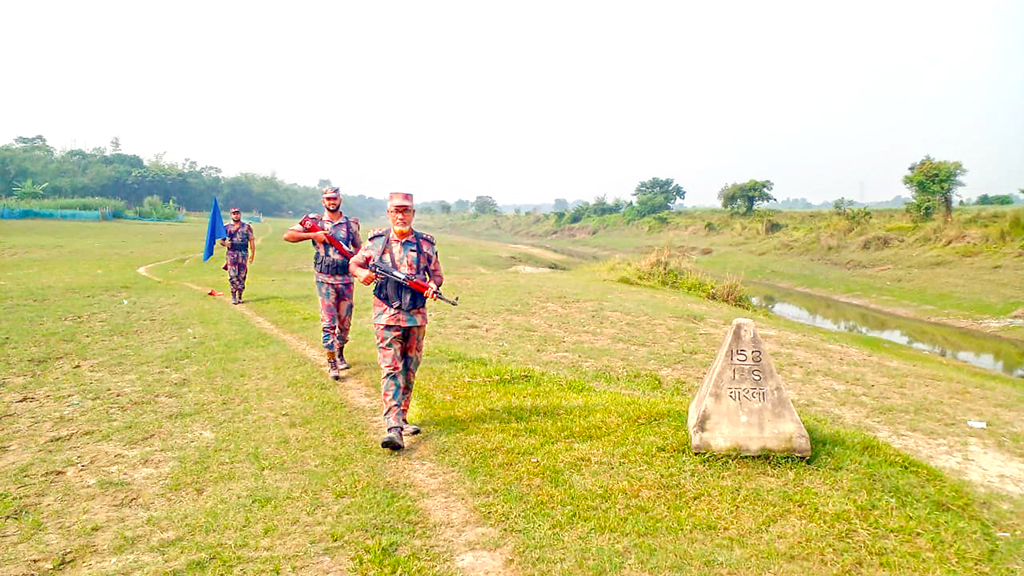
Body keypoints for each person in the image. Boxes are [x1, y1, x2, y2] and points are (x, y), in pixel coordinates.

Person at [349, 192, 444, 451]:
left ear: (413, 214)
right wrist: (362, 274)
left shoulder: (425, 244)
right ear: (389, 213)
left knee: (409, 369)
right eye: (396, 211)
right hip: (386, 316)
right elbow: (354, 264)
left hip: (415, 316)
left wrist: (433, 286)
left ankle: (401, 416)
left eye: (405, 211)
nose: (400, 216)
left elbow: (436, 275)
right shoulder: (376, 242)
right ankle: (393, 428)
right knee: (391, 369)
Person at [282, 187, 362, 380]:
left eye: (334, 198)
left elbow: (358, 248)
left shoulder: (350, 224)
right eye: (328, 199)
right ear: (323, 201)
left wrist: (360, 265)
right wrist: (312, 236)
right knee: (328, 322)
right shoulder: (315, 222)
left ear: (340, 200)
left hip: (345, 279)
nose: (331, 202)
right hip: (324, 280)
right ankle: (332, 361)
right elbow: (288, 235)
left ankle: (340, 351)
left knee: (345, 323)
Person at [219, 207, 255, 305]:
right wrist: (225, 243)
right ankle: (233, 296)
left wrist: (252, 254)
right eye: (234, 214)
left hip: (243, 253)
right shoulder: (226, 227)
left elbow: (251, 240)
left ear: (240, 215)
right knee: (233, 275)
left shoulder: (247, 227)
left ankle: (240, 295)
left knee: (242, 275)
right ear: (231, 215)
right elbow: (221, 241)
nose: (236, 215)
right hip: (232, 253)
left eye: (237, 213)